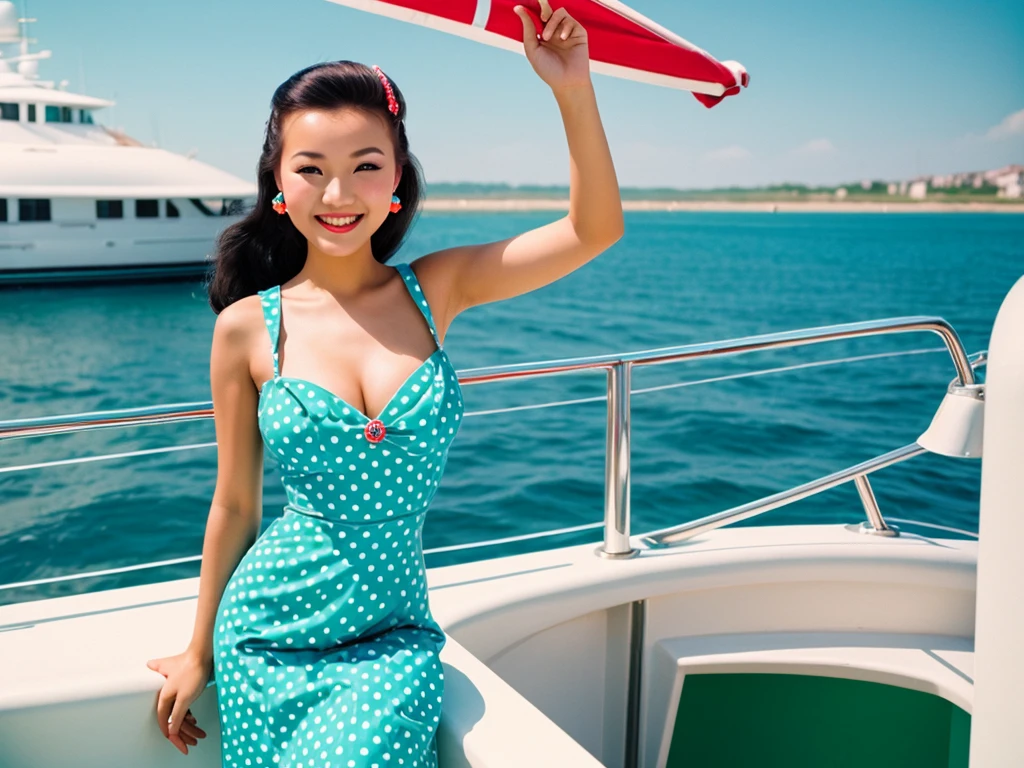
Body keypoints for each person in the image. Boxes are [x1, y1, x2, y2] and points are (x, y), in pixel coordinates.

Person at [144, 3, 623, 766]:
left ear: (397, 179)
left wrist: (572, 87)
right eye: (312, 170)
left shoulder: (438, 289)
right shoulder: (245, 327)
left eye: (366, 165)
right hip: (269, 630)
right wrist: (198, 648)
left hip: (392, 633)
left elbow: (593, 228)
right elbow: (236, 501)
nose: (339, 194)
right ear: (278, 186)